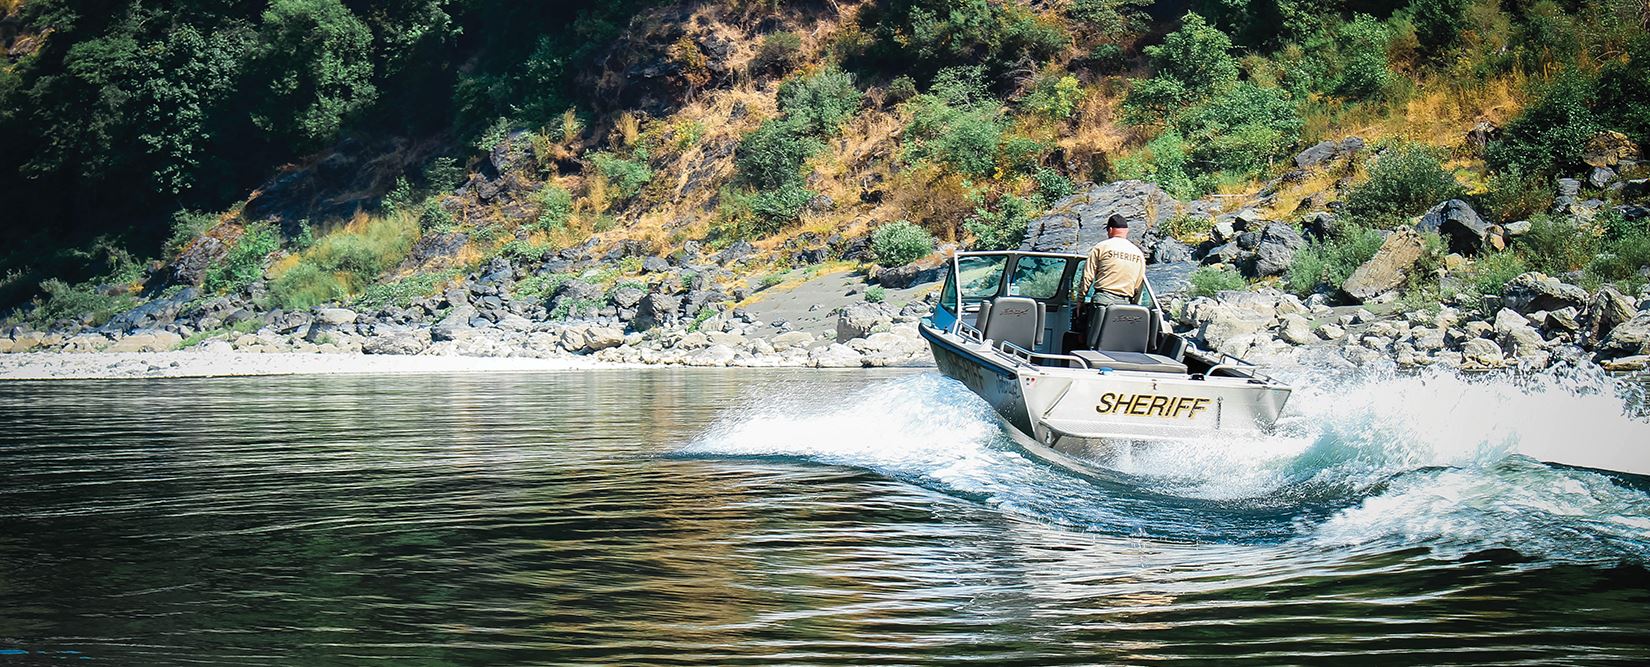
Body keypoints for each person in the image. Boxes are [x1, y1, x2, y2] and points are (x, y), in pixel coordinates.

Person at [1077, 213, 1146, 307]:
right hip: (1126, 304)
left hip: (1103, 301)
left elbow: (1087, 277)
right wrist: (1134, 305)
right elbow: (1139, 284)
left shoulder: (1101, 247)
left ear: (1110, 229)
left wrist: (1080, 301)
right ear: (1127, 231)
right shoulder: (1138, 253)